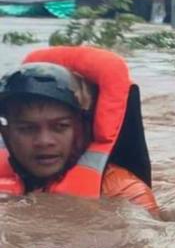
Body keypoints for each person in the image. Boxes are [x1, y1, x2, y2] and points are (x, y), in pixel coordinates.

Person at [0, 46, 159, 216]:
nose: (44, 141)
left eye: (60, 127)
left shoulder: (125, 192)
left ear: (81, 130)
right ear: (7, 133)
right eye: (27, 129)